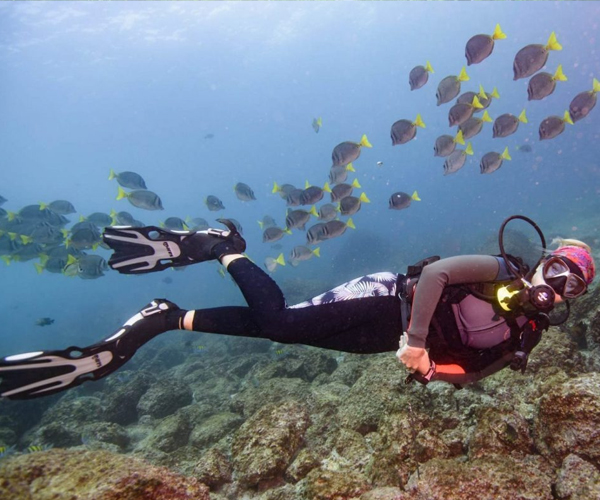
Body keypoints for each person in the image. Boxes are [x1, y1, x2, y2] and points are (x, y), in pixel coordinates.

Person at [0, 219, 595, 399]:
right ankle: (220, 247)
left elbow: (479, 372)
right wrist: (416, 337)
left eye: (573, 286)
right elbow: (438, 274)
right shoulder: (499, 271)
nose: (560, 285)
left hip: (383, 343)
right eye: (561, 270)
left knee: (278, 333)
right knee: (283, 320)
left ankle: (167, 317)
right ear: (545, 261)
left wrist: (433, 370)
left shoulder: (528, 334)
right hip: (388, 298)